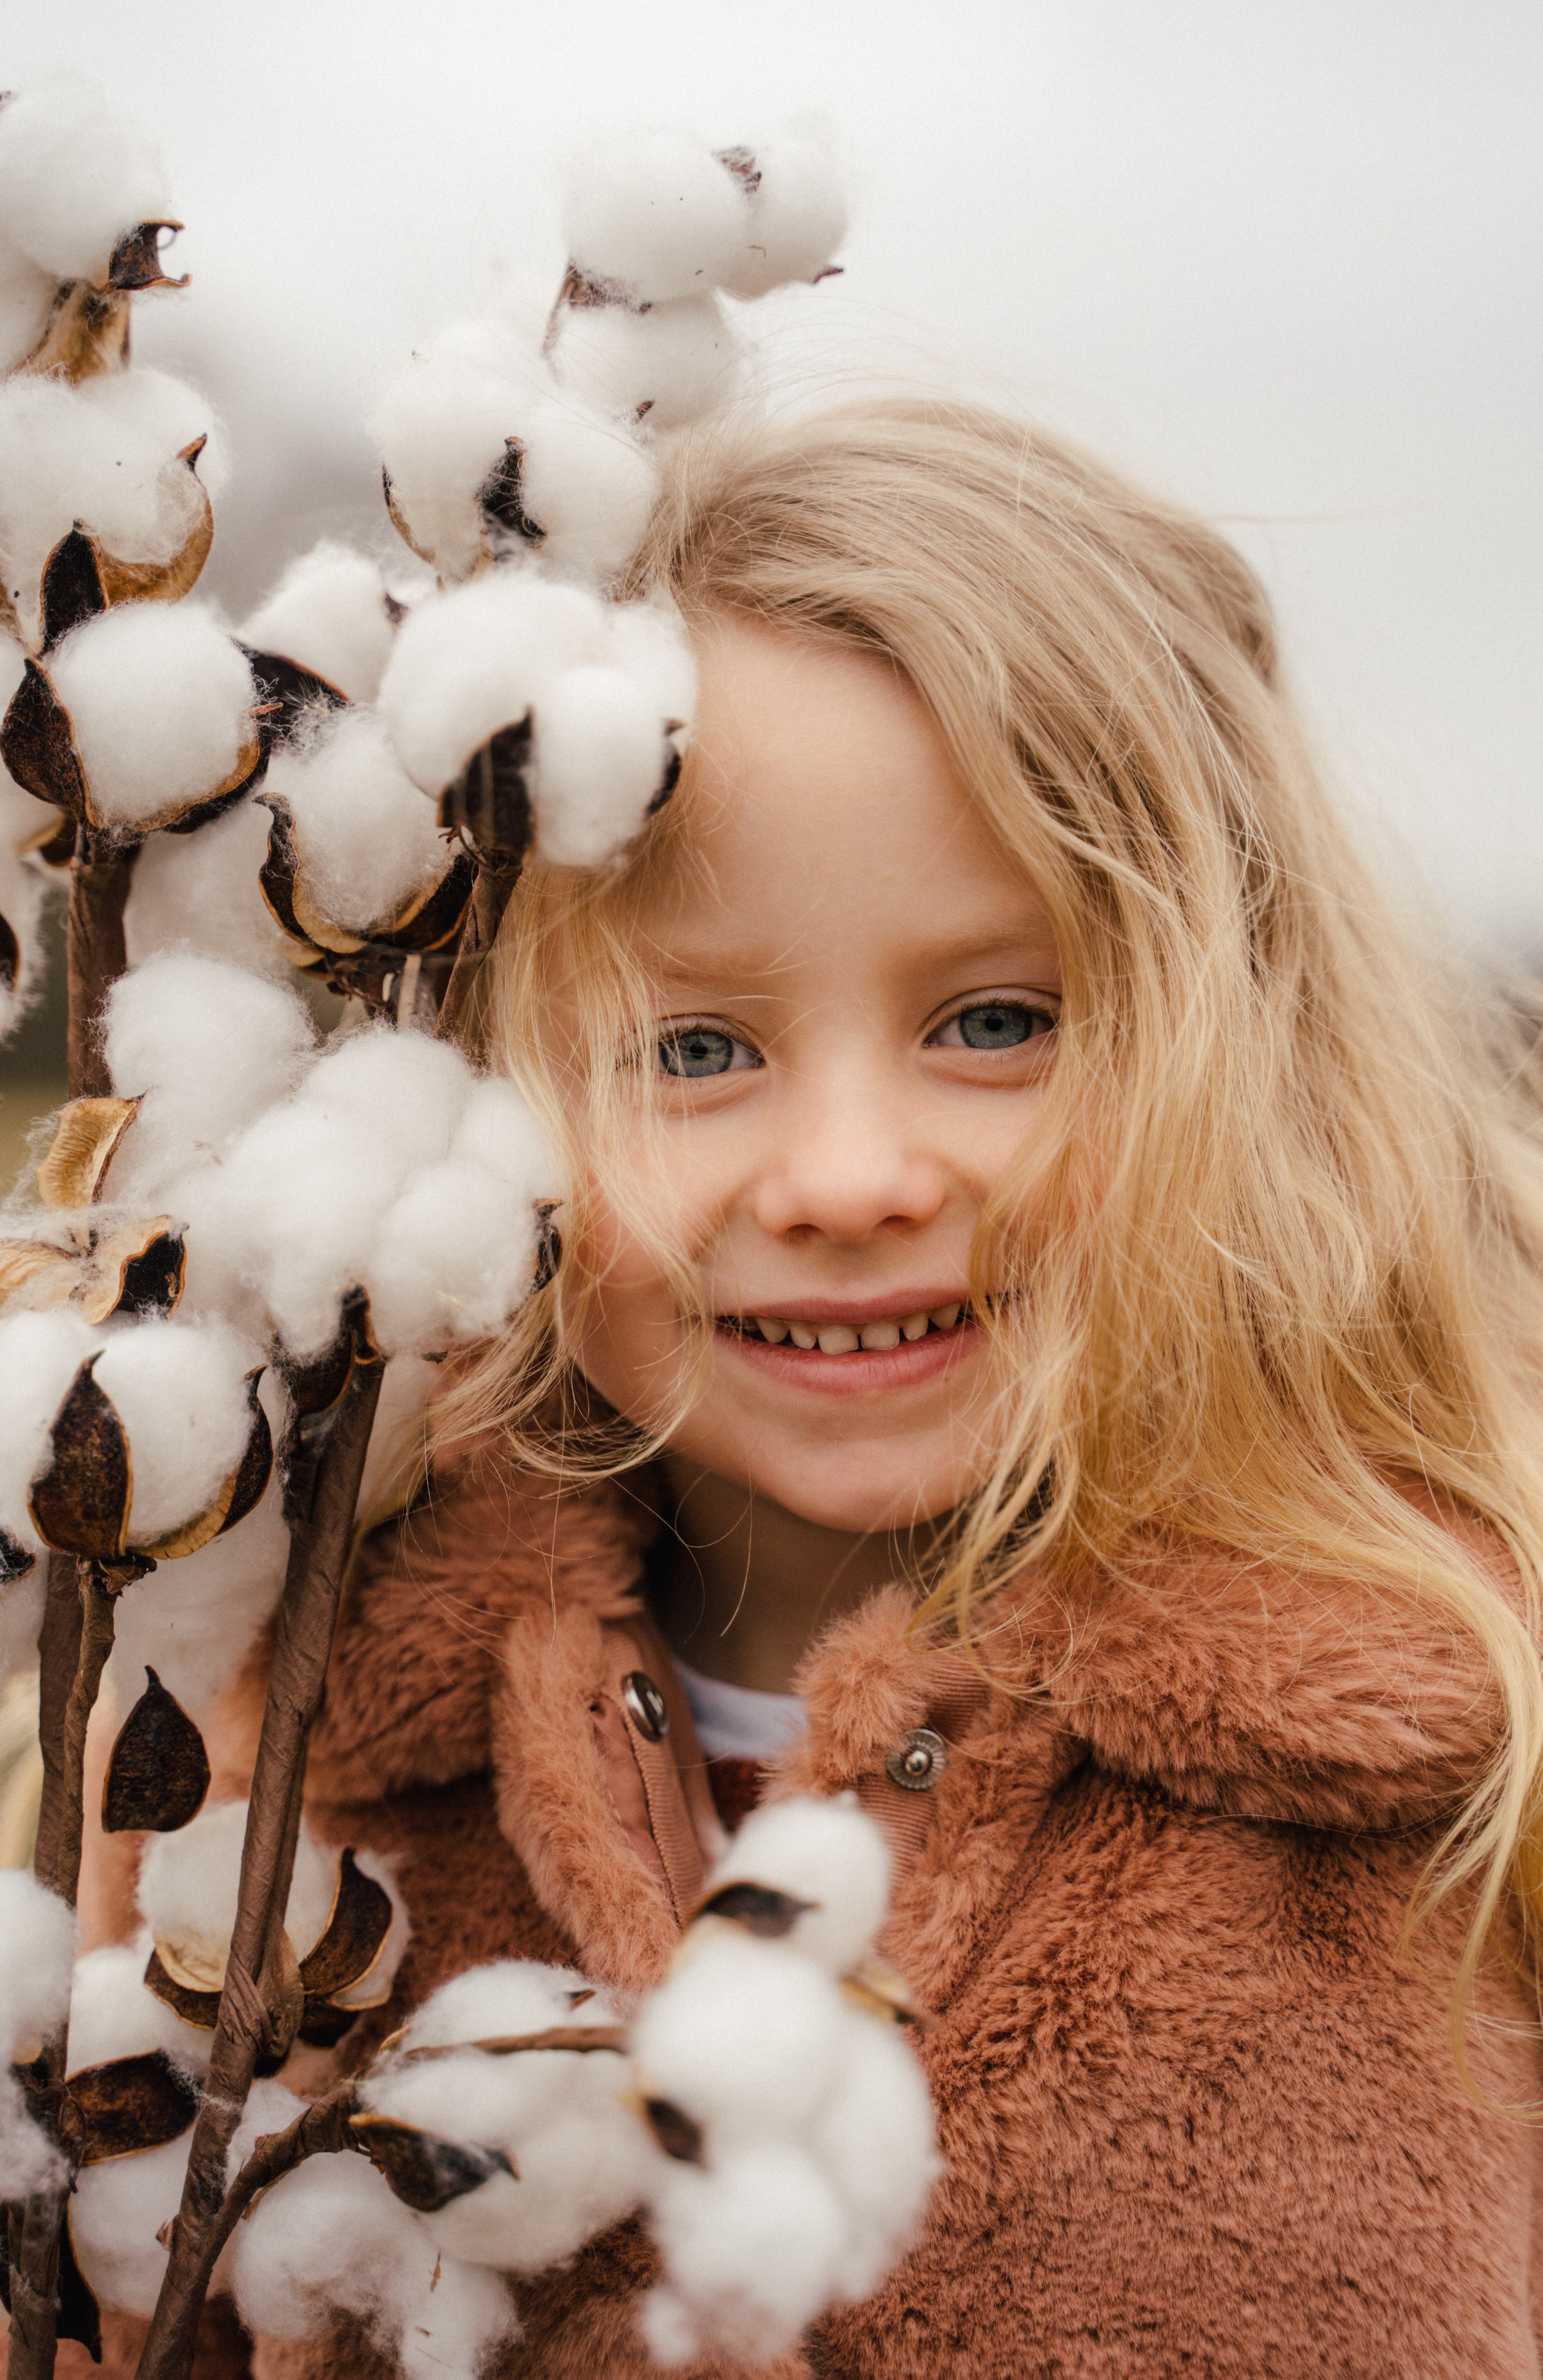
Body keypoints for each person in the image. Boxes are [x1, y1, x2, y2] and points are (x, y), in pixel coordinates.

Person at [99, 398, 1543, 2375]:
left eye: (1000, 1021)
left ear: (1239, 1047)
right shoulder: (278, 1761)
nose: (854, 1180)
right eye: (696, 1051)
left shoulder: (1466, 1754)